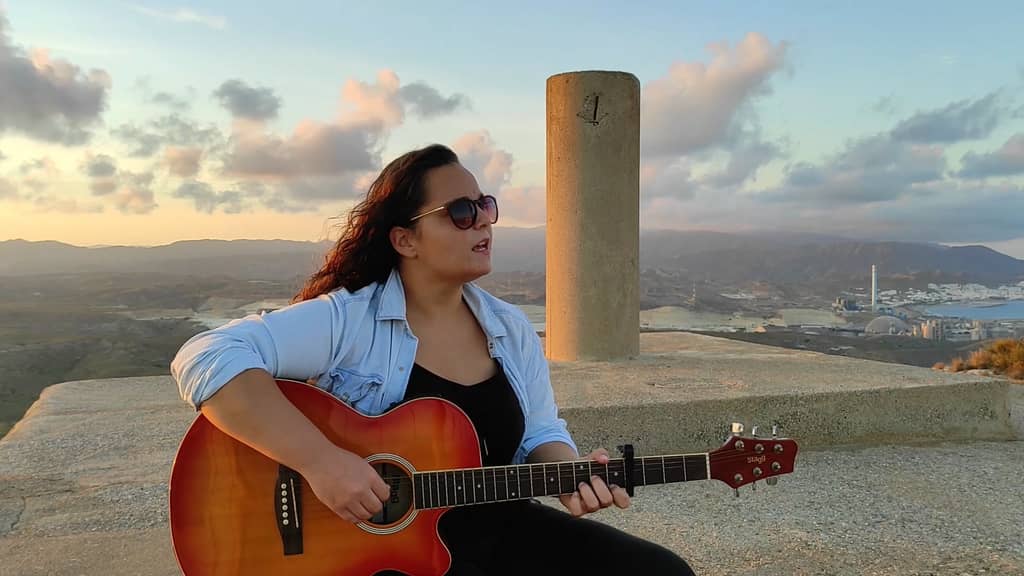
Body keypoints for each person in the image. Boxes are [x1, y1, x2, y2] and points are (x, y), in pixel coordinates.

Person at [170, 143, 696, 575]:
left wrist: (569, 472)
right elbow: (207, 355)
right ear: (406, 240)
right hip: (383, 553)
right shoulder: (349, 320)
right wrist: (322, 463)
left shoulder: (510, 328)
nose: (482, 223)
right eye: (461, 213)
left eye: (485, 206)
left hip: (502, 528)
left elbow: (540, 431)